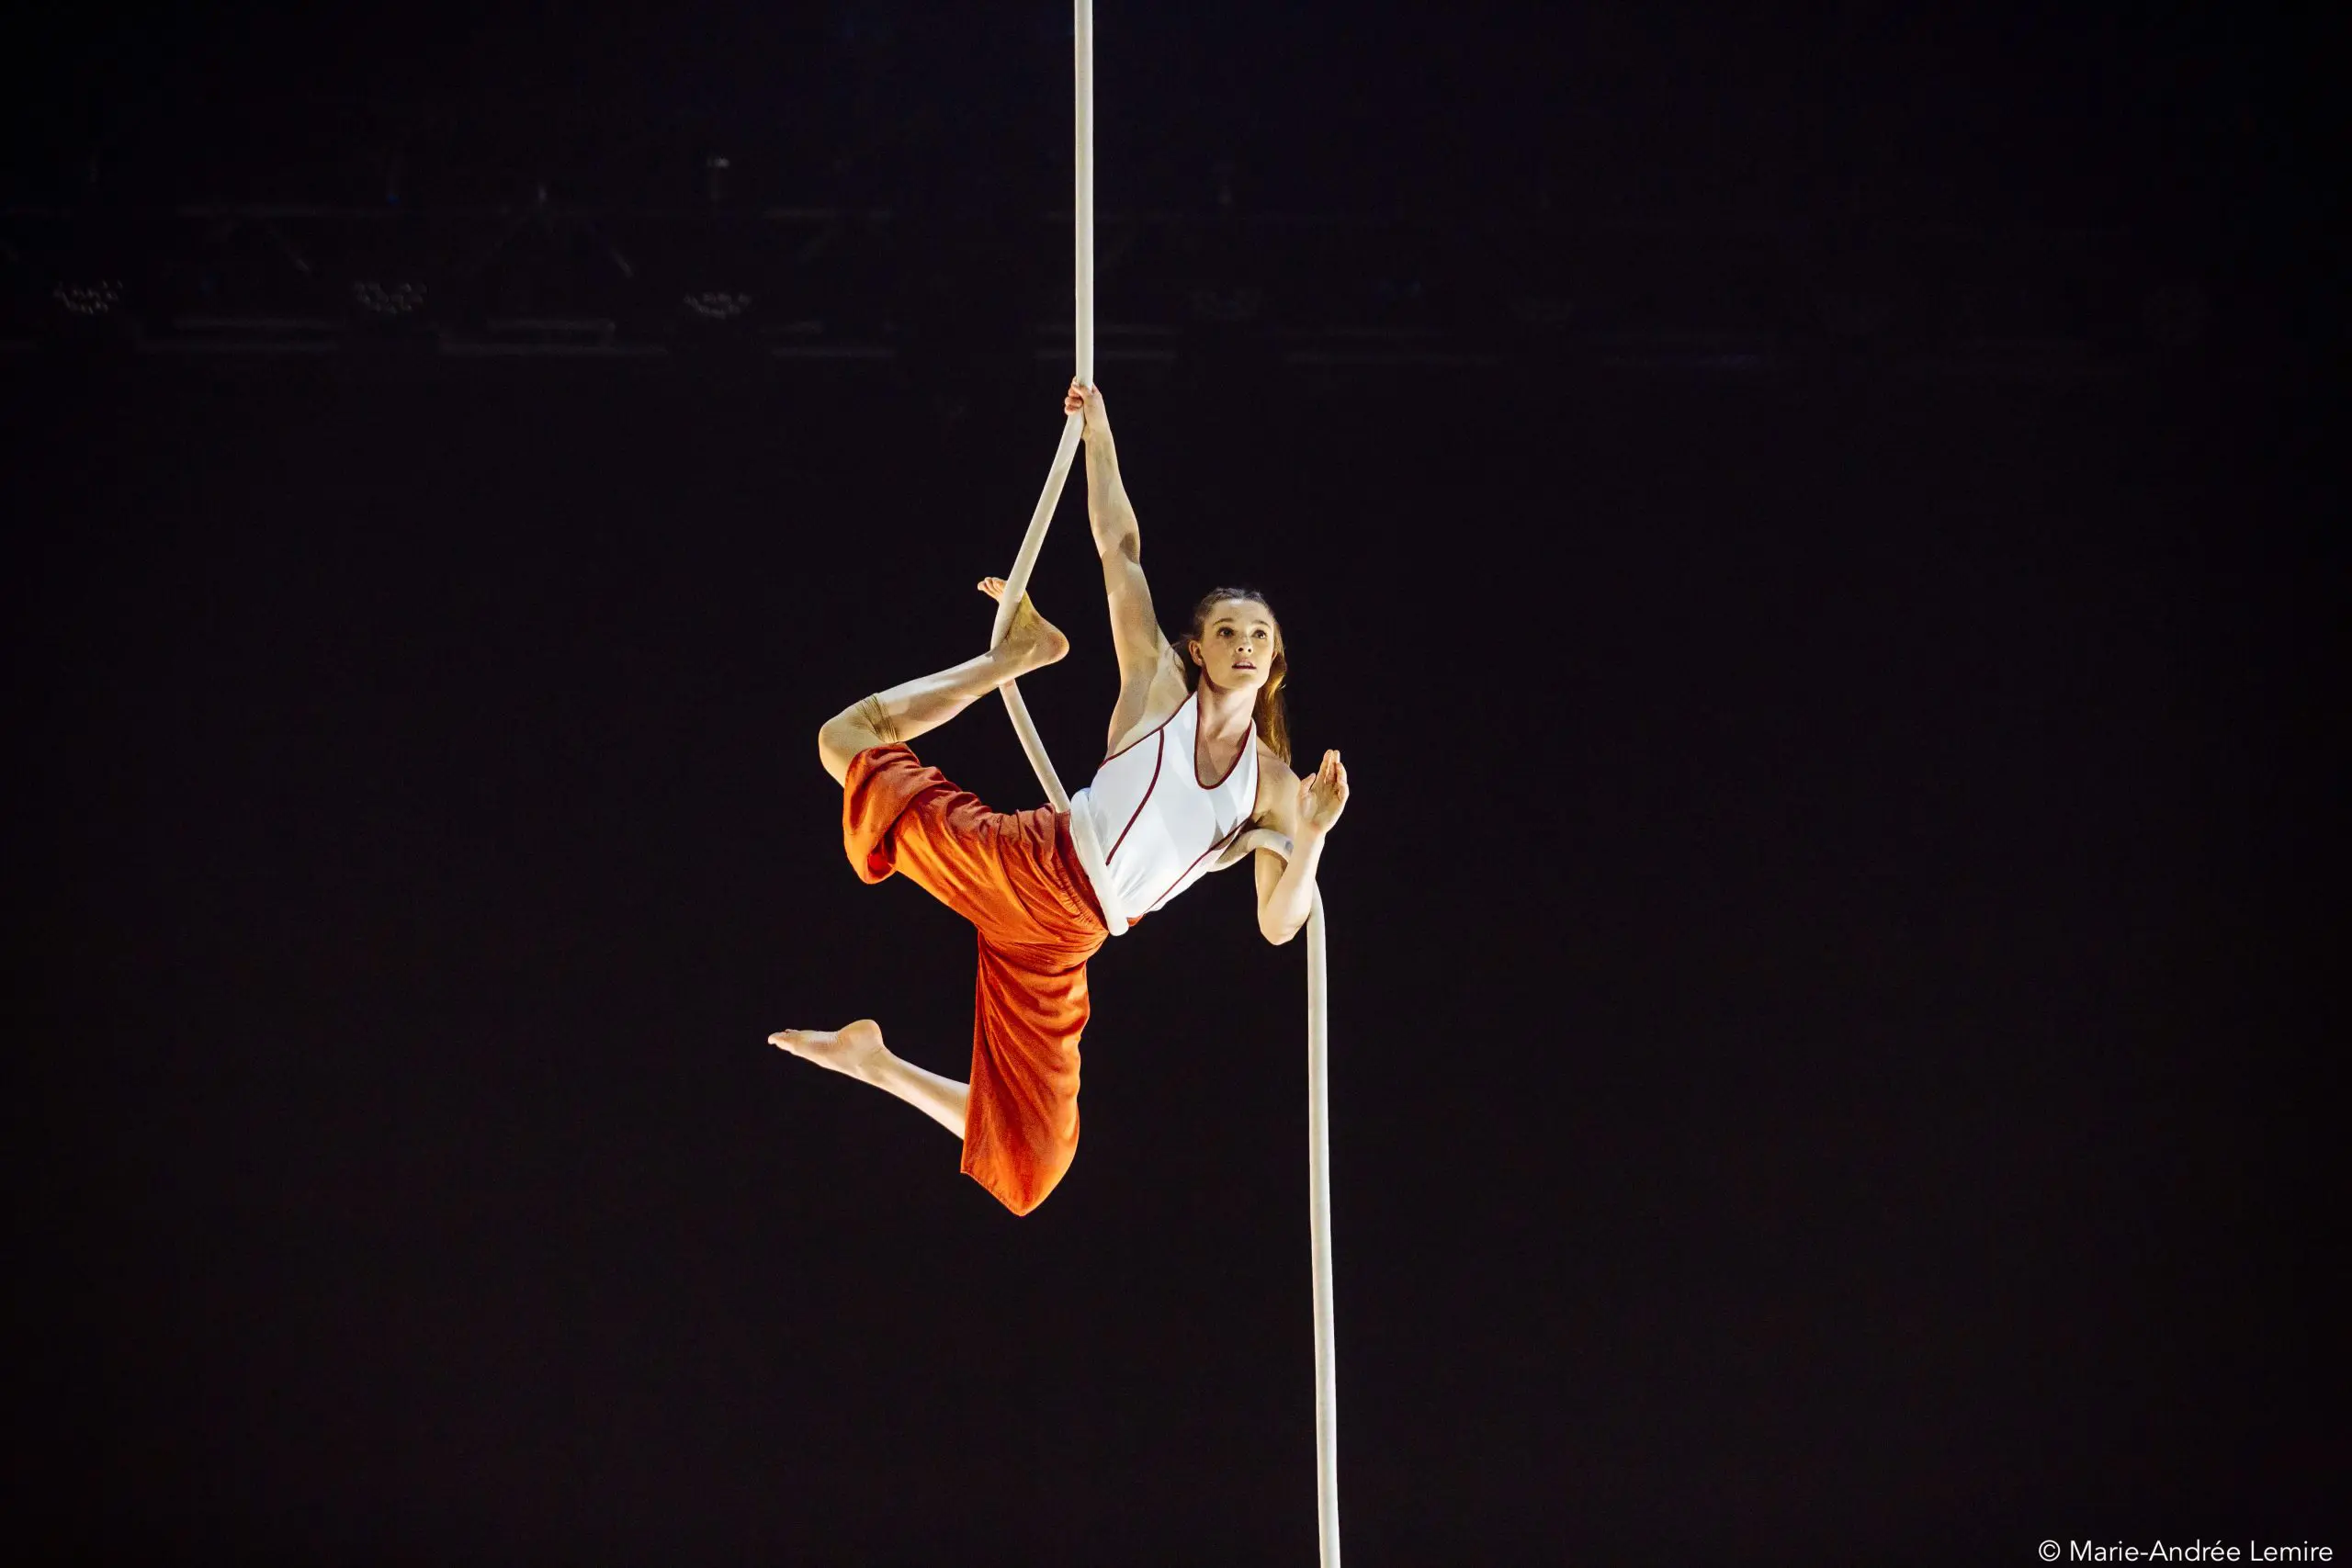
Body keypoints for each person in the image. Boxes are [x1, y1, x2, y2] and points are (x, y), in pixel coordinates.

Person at [771, 380, 1350, 1214]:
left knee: (1033, 1171)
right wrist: (1098, 435)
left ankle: (876, 1061)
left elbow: (1277, 922)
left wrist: (1318, 837)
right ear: (1199, 646)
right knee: (844, 741)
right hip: (1030, 868)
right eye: (1228, 630)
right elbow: (1120, 549)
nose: (1244, 644)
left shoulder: (1277, 787)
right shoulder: (1158, 686)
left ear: (1277, 661)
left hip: (1066, 943)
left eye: (1260, 636)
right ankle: (1008, 660)